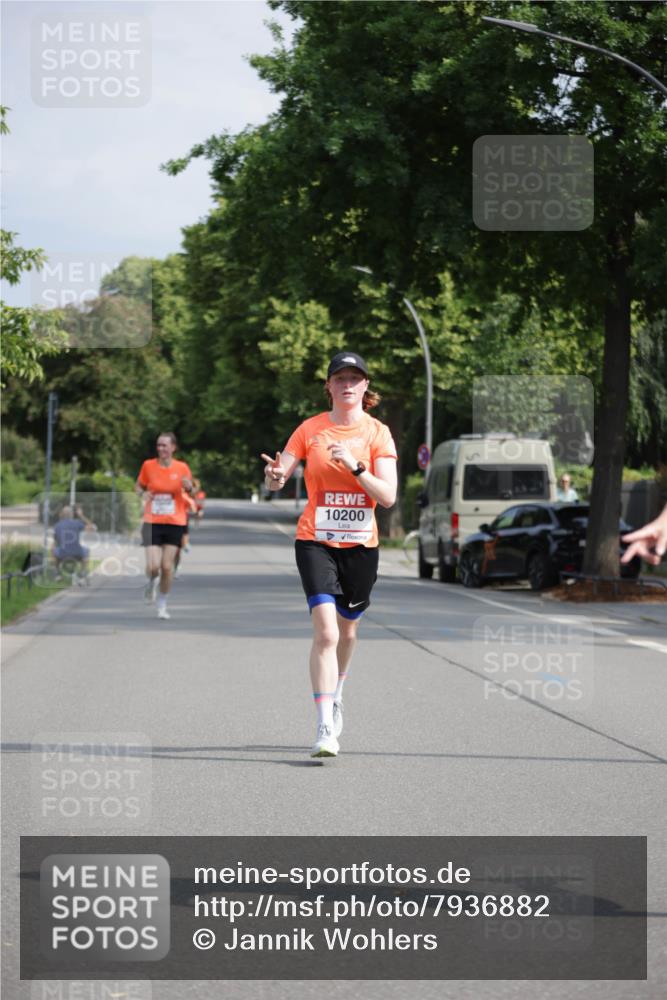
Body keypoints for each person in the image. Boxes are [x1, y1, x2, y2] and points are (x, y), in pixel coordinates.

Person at [261, 351, 397, 758]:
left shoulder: (378, 434)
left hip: (360, 544)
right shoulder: (310, 430)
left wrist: (357, 467)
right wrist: (274, 477)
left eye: (356, 378)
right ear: (329, 385)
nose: (348, 385)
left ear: (366, 386)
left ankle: (337, 692)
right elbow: (277, 478)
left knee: (348, 631)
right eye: (341, 378)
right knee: (327, 632)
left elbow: (387, 497)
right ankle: (323, 727)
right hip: (315, 540)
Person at [135, 432, 195, 620]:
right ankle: (152, 582)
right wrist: (142, 494)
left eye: (165, 445)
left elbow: (191, 488)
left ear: (173, 447)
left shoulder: (182, 467)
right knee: (153, 566)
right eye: (159, 445)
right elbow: (138, 486)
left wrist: (189, 486)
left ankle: (162, 604)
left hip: (174, 521)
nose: (161, 448)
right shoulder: (148, 465)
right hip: (152, 520)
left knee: (167, 567)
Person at [53, 504, 96, 583]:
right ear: (72, 514)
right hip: (77, 553)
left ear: (62, 514)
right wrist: (81, 515)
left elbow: (55, 542)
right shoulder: (77, 523)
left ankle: (57, 573)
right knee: (87, 550)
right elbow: (92, 528)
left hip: (62, 554)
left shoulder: (57, 526)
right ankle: (83, 571)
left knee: (54, 550)